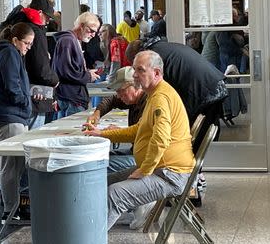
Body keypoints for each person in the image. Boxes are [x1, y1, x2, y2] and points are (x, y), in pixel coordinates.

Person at [85, 51, 194, 230]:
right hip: (160, 170)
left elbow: (160, 139)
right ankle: (84, 234)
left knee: (114, 194)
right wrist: (102, 134)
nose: (135, 74)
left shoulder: (160, 98)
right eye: (134, 69)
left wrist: (145, 170)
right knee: (103, 181)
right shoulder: (154, 93)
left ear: (157, 73)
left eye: (141, 70)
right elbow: (139, 131)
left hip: (169, 175)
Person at [0, 23, 34, 222]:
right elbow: (12, 86)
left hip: (14, 114)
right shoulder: (9, 54)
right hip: (10, 115)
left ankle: (12, 206)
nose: (28, 48)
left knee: (15, 164)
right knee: (12, 165)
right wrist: (25, 102)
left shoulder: (10, 54)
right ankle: (9, 209)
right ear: (15, 40)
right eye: (26, 43)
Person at [0, 0, 59, 131]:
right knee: (28, 146)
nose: (47, 22)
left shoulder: (11, 25)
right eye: (27, 44)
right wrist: (54, 80)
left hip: (17, 107)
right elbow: (40, 69)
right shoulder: (31, 33)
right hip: (23, 106)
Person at [84, 67, 146, 174]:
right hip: (135, 151)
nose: (119, 95)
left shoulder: (149, 102)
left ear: (135, 86)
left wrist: (112, 132)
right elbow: (111, 100)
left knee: (96, 166)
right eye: (117, 91)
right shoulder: (133, 98)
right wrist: (96, 114)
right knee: (96, 157)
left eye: (121, 91)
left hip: (146, 158)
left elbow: (141, 134)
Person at [52, 12, 101, 117]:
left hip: (71, 97)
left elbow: (70, 68)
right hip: (70, 98)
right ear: (81, 26)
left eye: (95, 32)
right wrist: (88, 76)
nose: (93, 35)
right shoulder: (68, 41)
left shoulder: (73, 40)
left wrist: (86, 72)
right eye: (91, 31)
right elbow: (65, 71)